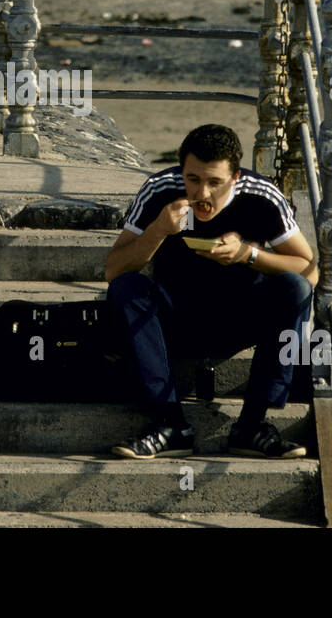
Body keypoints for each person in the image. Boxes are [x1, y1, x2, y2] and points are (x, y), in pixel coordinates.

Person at [104, 124, 317, 460]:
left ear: (234, 178)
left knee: (295, 288)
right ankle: (169, 423)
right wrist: (158, 229)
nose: (202, 193)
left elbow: (309, 269)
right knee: (126, 288)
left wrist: (249, 255)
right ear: (182, 171)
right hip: (177, 317)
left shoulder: (261, 197)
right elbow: (114, 269)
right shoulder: (160, 189)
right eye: (193, 179)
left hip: (240, 319)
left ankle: (252, 425)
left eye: (214, 182)